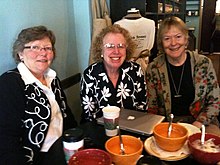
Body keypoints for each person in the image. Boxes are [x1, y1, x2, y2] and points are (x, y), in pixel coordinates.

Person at [0, 26, 77, 164]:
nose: (43, 53)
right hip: (37, 159)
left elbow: (67, 116)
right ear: (20, 54)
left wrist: (77, 140)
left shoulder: (52, 78)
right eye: (34, 47)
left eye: (47, 48)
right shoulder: (10, 83)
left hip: (63, 149)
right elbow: (6, 139)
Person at [146, 16, 220, 135]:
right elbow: (152, 107)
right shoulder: (154, 68)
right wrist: (160, 129)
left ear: (186, 39)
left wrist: (198, 125)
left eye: (178, 37)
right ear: (161, 43)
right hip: (168, 124)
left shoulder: (203, 63)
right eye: (167, 38)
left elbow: (215, 102)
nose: (173, 43)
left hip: (202, 122)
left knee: (210, 149)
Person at [80, 24, 147, 123]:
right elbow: (89, 117)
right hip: (99, 132)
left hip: (132, 131)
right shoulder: (90, 75)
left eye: (121, 46)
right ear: (101, 51)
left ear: (126, 50)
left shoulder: (135, 71)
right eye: (110, 46)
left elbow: (142, 109)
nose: (116, 51)